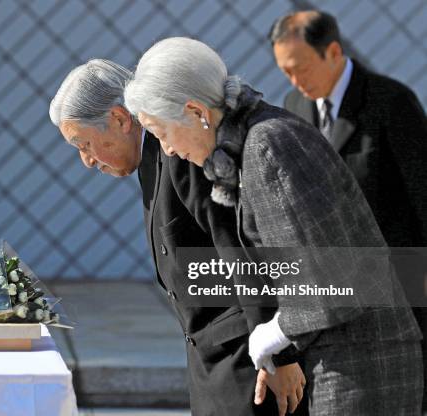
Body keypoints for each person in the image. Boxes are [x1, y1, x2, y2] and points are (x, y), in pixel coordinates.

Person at [124, 36, 423, 415]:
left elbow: (333, 275)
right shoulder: (253, 140)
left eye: (162, 131)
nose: (166, 150)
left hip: (361, 364)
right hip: (346, 358)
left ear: (196, 111)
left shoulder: (268, 145)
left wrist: (277, 330)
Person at [50, 59, 308, 415]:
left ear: (121, 120)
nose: (87, 161)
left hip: (248, 361)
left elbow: (241, 247)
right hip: (212, 360)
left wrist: (279, 354)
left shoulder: (181, 150)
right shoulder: (150, 158)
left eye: (85, 144)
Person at [269, 11, 427, 408]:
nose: (294, 81)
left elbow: (423, 192)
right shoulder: (295, 105)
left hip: (399, 283)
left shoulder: (391, 102)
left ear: (333, 51)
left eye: (300, 68)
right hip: (333, 288)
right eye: (285, 71)